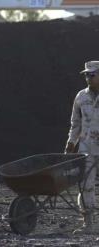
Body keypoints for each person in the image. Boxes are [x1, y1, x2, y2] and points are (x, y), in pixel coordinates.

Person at [65, 60, 99, 234]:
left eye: (92, 75)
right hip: (86, 148)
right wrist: (71, 143)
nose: (88, 78)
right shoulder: (81, 97)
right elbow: (75, 123)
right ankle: (88, 224)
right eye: (86, 75)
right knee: (86, 184)